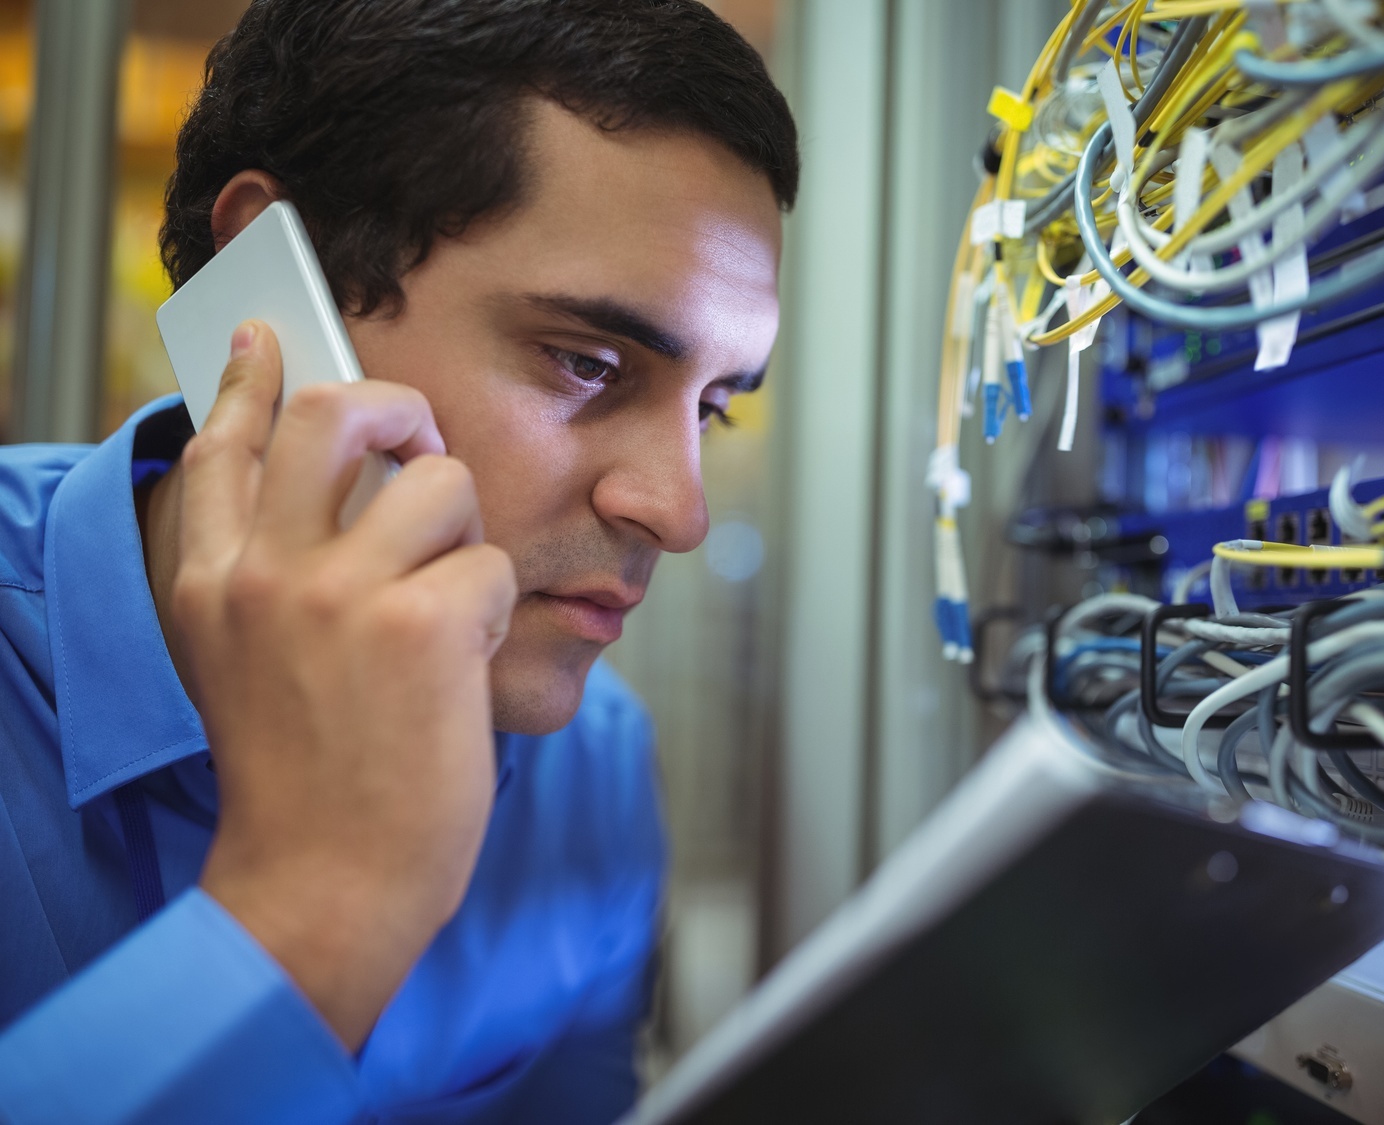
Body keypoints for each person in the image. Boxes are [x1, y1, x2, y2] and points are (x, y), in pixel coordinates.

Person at [0, 0, 797, 1120]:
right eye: (584, 363)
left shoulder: (590, 766)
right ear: (274, 294)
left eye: (711, 407)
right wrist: (307, 910)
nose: (677, 512)